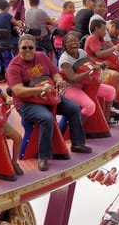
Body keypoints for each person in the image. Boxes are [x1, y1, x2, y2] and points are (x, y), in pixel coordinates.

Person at [6, 34, 92, 172]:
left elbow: (55, 73)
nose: (27, 50)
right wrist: (40, 89)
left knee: (74, 108)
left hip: (49, 96)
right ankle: (43, 156)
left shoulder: (41, 57)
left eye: (30, 47)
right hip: (27, 103)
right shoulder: (13, 67)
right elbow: (18, 90)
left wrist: (58, 81)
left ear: (35, 48)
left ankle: (77, 143)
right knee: (47, 118)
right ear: (18, 49)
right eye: (24, 48)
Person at [58, 31, 119, 127]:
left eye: (75, 41)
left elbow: (93, 62)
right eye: (69, 42)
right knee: (89, 106)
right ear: (65, 45)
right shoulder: (65, 60)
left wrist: (101, 65)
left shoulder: (81, 52)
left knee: (111, 91)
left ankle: (106, 121)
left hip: (86, 84)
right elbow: (73, 78)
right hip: (70, 88)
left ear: (79, 42)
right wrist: (88, 73)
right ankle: (76, 129)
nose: (73, 43)